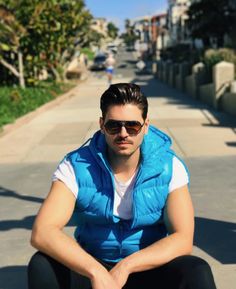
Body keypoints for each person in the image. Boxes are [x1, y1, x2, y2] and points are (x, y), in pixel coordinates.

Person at [28, 83, 217, 289]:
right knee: (41, 265)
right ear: (102, 125)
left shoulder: (169, 167)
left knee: (197, 270)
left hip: (147, 267)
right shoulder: (76, 166)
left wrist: (125, 267)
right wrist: (96, 272)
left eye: (132, 126)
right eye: (114, 126)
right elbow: (43, 231)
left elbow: (183, 239)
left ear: (145, 126)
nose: (124, 133)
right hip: (93, 265)